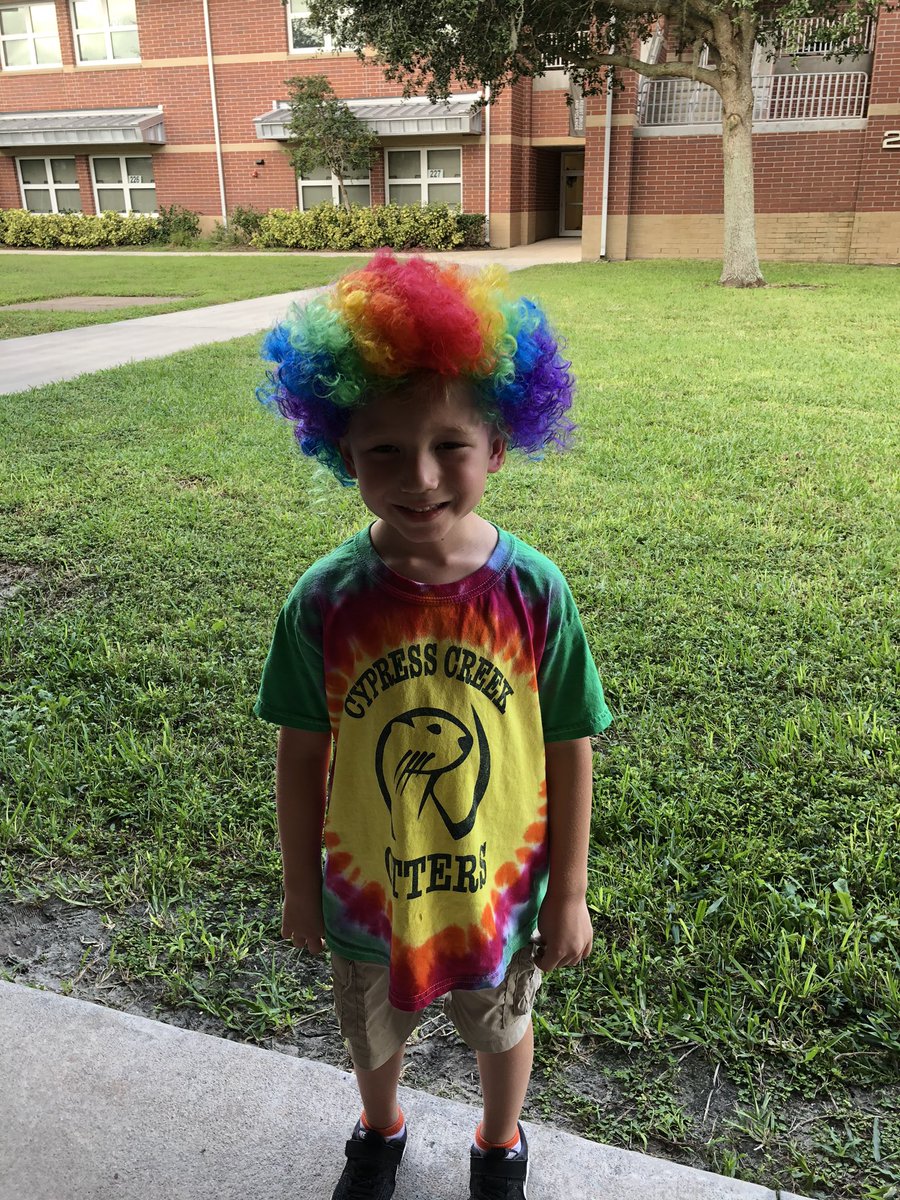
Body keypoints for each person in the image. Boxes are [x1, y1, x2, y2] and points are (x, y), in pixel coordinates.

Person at [253, 251, 612, 1200]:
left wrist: (568, 892)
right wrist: (298, 885)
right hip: (368, 891)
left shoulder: (536, 591)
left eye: (451, 445)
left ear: (499, 446)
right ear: (341, 453)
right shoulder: (325, 598)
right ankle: (381, 1128)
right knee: (371, 1030)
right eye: (382, 451)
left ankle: (499, 1145)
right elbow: (300, 752)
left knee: (501, 1025)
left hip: (495, 888)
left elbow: (571, 742)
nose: (419, 477)